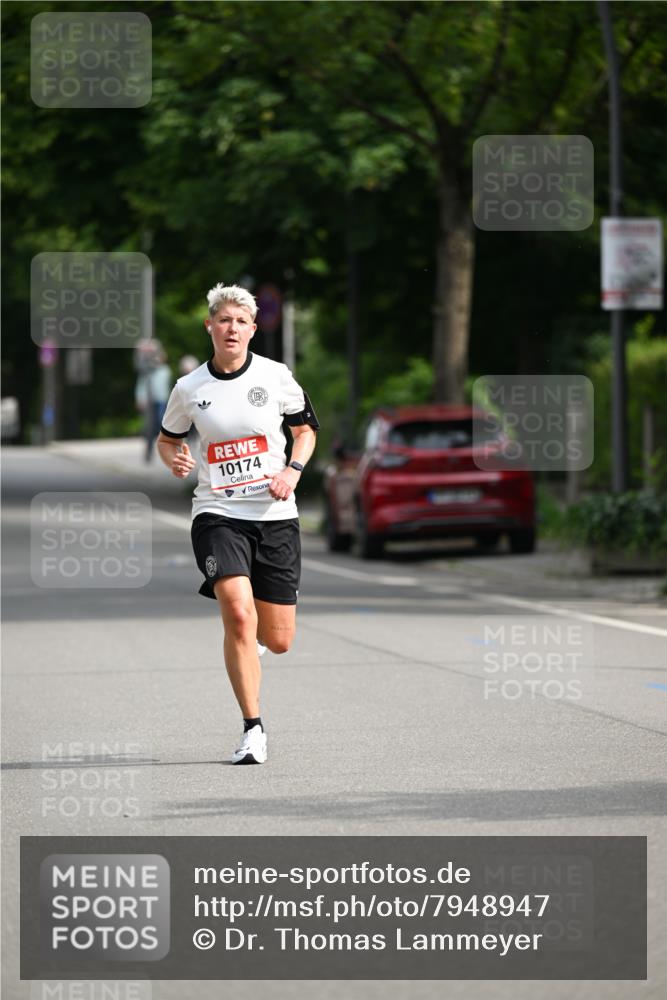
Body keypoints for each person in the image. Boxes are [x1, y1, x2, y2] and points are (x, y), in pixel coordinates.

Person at [156, 283, 319, 764]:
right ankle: (253, 729)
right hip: (217, 513)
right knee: (238, 613)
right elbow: (169, 439)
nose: (232, 328)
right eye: (223, 320)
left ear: (253, 329)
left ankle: (256, 645)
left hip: (274, 514)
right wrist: (175, 460)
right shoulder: (190, 388)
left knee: (279, 639)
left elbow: (305, 430)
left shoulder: (275, 376)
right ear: (210, 326)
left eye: (241, 322)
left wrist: (293, 470)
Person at [135, 346, 173, 463]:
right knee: (149, 427)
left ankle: (164, 449)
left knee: (161, 425)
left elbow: (169, 387)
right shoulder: (147, 372)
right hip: (149, 401)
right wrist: (140, 399)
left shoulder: (166, 370)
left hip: (162, 400)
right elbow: (141, 386)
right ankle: (149, 452)